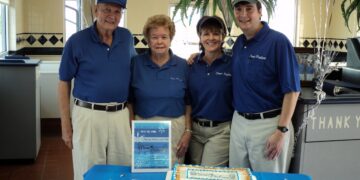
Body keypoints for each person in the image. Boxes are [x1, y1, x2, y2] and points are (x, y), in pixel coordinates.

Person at [58, 0, 136, 179]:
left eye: (117, 11)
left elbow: (134, 70)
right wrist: (65, 124)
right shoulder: (77, 41)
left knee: (122, 170)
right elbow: (63, 82)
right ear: (95, 10)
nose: (112, 16)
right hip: (88, 115)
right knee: (89, 170)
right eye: (106, 10)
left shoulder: (126, 37)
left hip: (120, 114)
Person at [229, 0, 301, 173]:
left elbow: (292, 91)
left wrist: (281, 131)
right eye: (238, 9)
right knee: (237, 176)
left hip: (269, 126)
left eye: (249, 9)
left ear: (260, 11)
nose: (243, 14)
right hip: (238, 123)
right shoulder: (239, 43)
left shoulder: (278, 42)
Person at [128, 14, 191, 167]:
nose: (159, 41)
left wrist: (188, 131)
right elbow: (129, 100)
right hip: (144, 127)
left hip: (175, 127)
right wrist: (132, 128)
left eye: (164, 37)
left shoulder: (183, 66)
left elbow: (188, 102)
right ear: (148, 40)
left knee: (173, 172)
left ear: (171, 39)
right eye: (154, 37)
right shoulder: (136, 63)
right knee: (146, 173)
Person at [187, 16, 233, 167]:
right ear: (200, 37)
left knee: (208, 173)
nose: (211, 38)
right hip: (195, 131)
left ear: (223, 36)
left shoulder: (232, 64)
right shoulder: (191, 65)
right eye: (206, 33)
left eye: (216, 33)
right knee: (193, 172)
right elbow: (187, 99)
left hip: (221, 131)